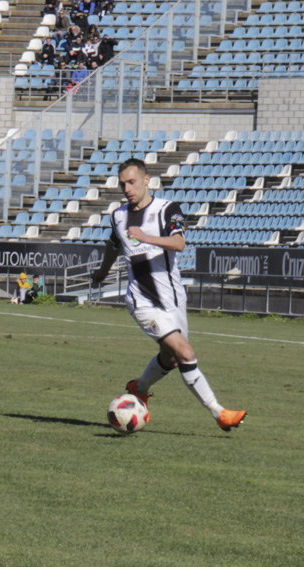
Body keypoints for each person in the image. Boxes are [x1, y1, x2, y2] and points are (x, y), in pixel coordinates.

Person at [91, 158, 247, 433]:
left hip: (174, 300)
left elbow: (179, 243)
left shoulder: (167, 209)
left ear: (146, 180)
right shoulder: (118, 216)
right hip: (142, 301)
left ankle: (138, 388)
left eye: (132, 182)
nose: (127, 188)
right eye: (123, 184)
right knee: (185, 353)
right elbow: (113, 245)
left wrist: (145, 237)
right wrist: (103, 272)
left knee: (172, 358)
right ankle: (219, 413)